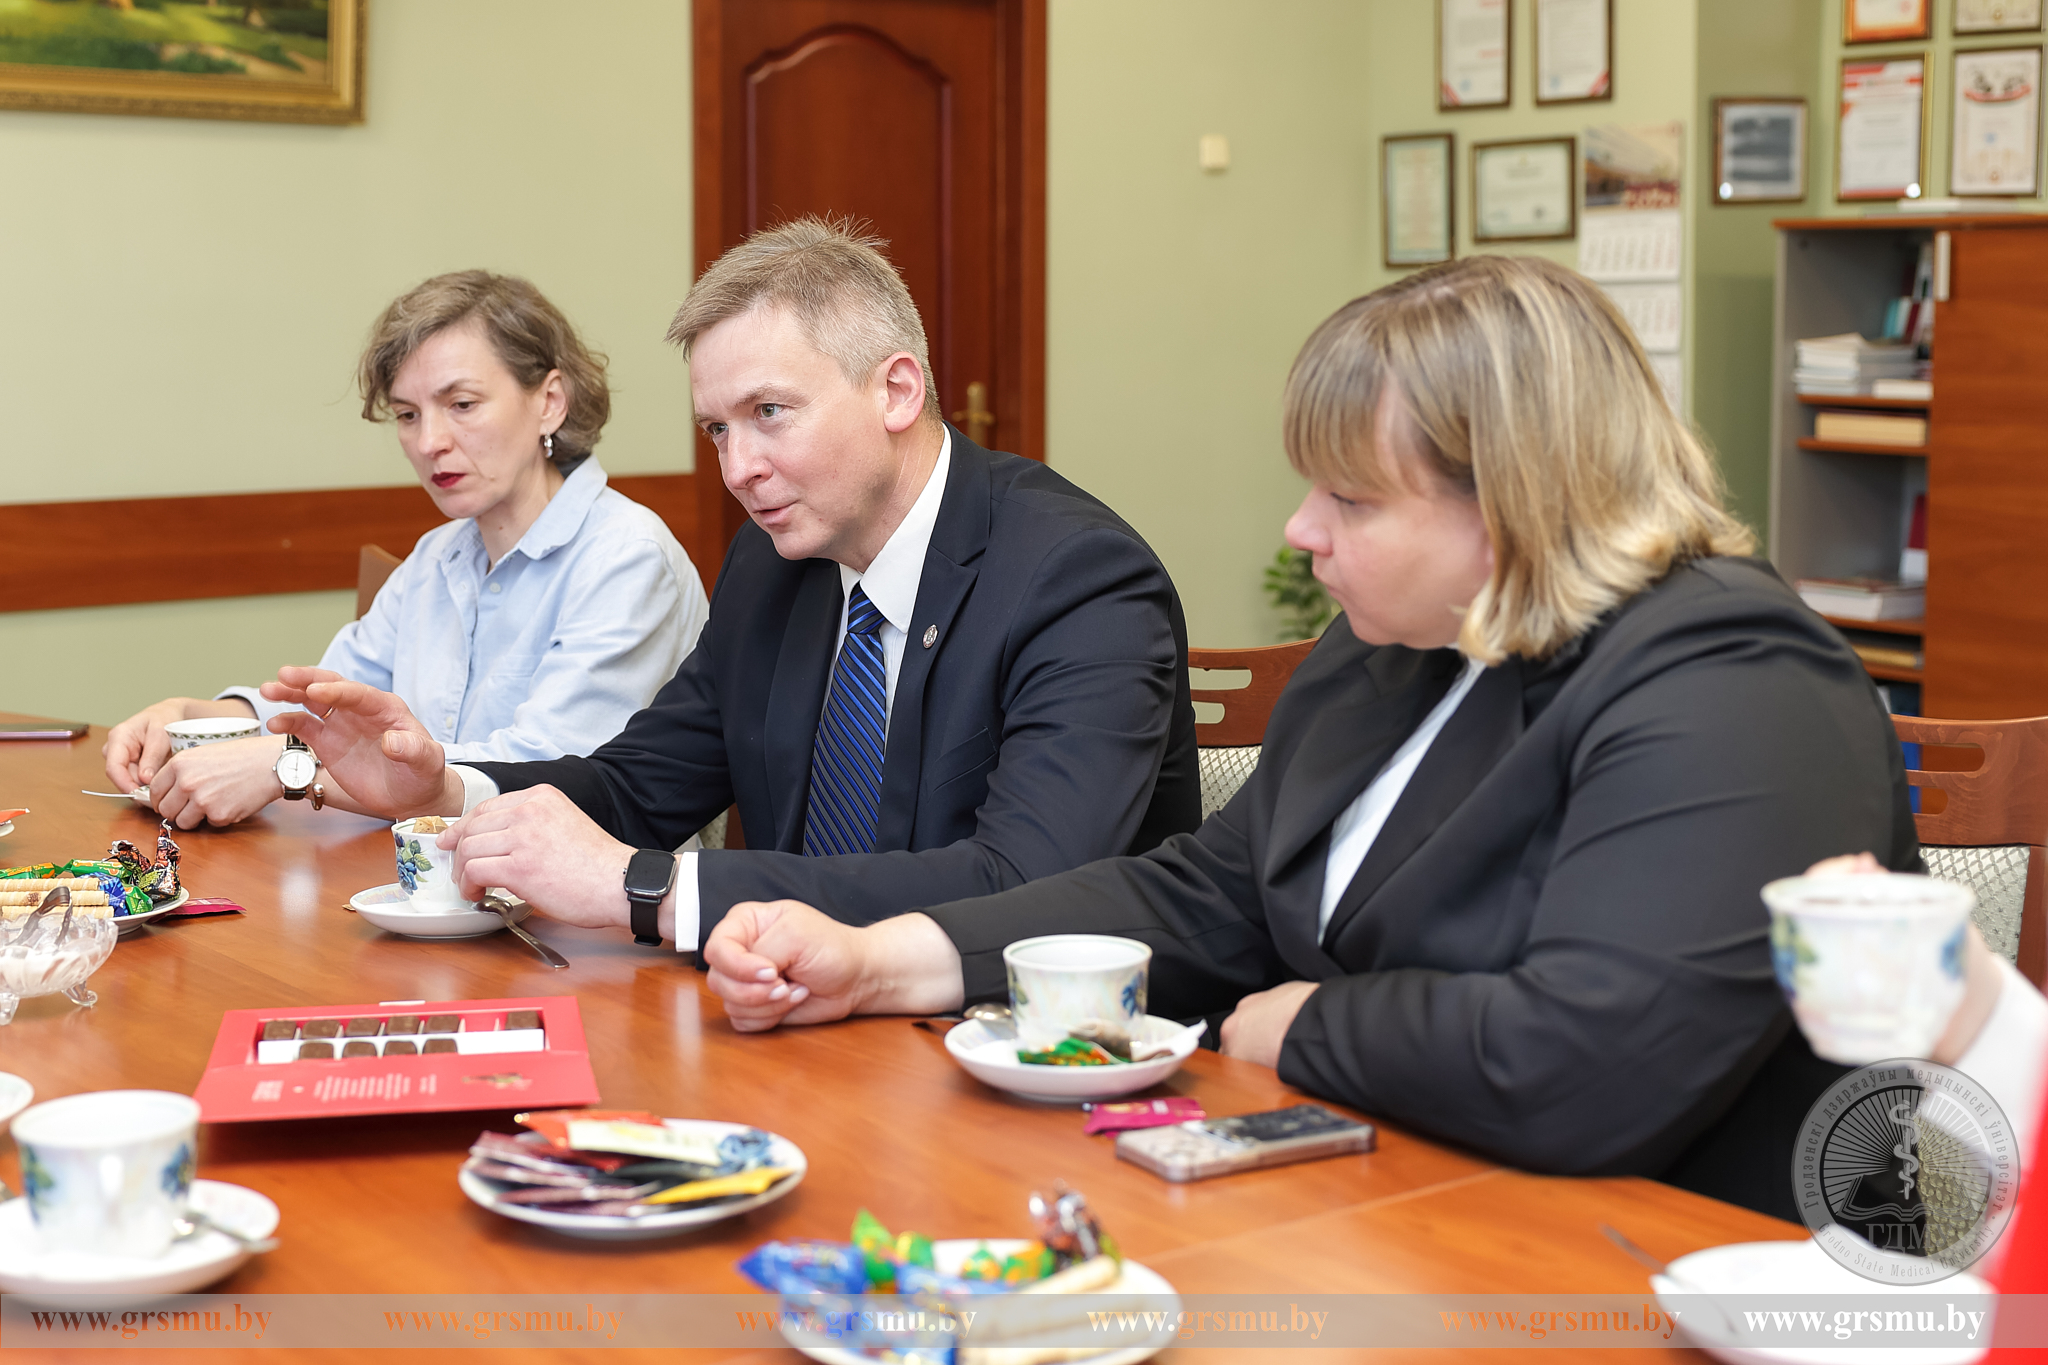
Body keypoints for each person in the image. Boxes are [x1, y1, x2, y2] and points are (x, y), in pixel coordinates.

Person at [699, 255, 1918, 1222]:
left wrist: (1302, 1028)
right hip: (1392, 1209)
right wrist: (878, 961)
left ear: (1514, 502)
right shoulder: (1391, 648)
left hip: (1668, 1267)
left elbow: (1586, 1065)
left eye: (1350, 498)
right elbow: (1206, 894)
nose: (1299, 531)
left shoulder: (1738, 687)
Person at [265, 218, 1201, 952]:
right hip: (795, 1019)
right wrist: (445, 784)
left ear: (897, 391)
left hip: (1031, 1057)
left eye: (770, 412)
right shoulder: (772, 563)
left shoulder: (1077, 577)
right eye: (717, 429)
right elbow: (638, 786)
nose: (738, 468)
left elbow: (1024, 883)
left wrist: (654, 889)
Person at [102, 271, 710, 829]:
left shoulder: (628, 556)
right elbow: (332, 709)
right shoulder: (437, 555)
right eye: (407, 414)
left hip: (583, 896)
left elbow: (548, 772)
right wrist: (195, 715)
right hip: (432, 878)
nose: (429, 442)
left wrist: (291, 767)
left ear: (550, 401)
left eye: (462, 405)